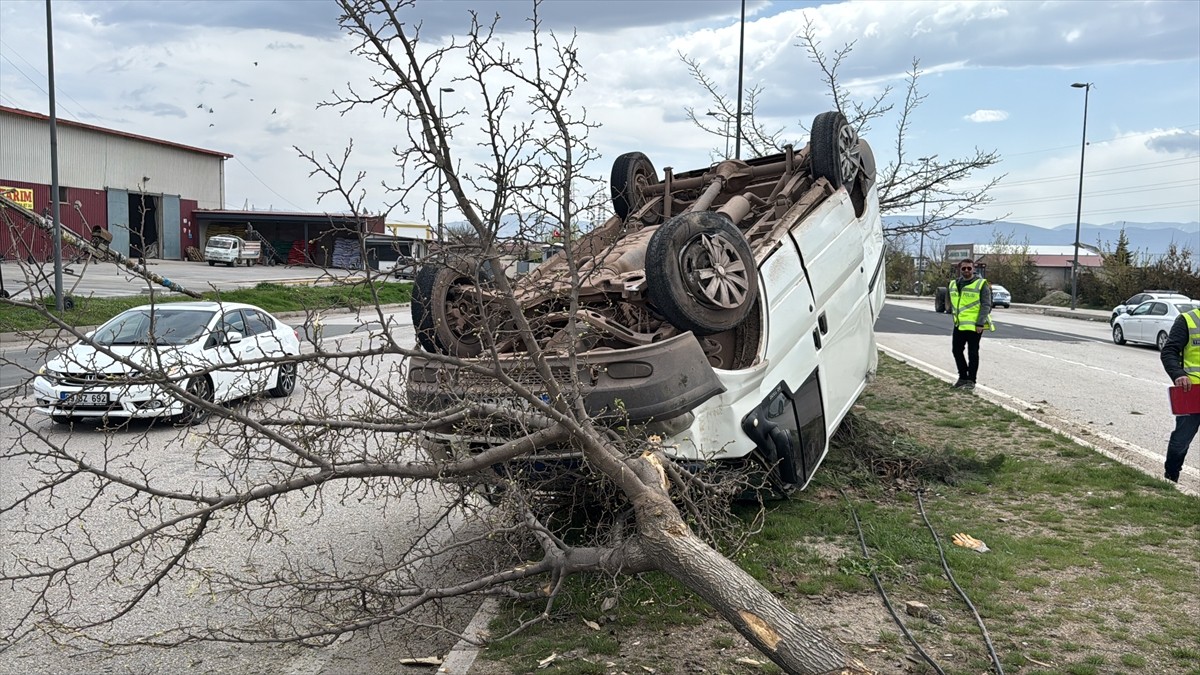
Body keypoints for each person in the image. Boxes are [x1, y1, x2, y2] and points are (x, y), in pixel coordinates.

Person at [1161, 305, 1200, 483]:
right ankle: (1171, 478)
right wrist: (1179, 374)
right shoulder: (1187, 320)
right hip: (1191, 392)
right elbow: (1169, 351)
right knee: (1181, 439)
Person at [947, 258, 992, 390]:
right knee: (956, 351)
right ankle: (962, 377)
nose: (966, 270)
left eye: (969, 268)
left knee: (973, 353)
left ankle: (971, 380)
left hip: (975, 326)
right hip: (959, 324)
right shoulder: (955, 284)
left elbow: (986, 305)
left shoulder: (981, 284)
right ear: (960, 269)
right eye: (964, 268)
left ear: (973, 269)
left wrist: (980, 323)